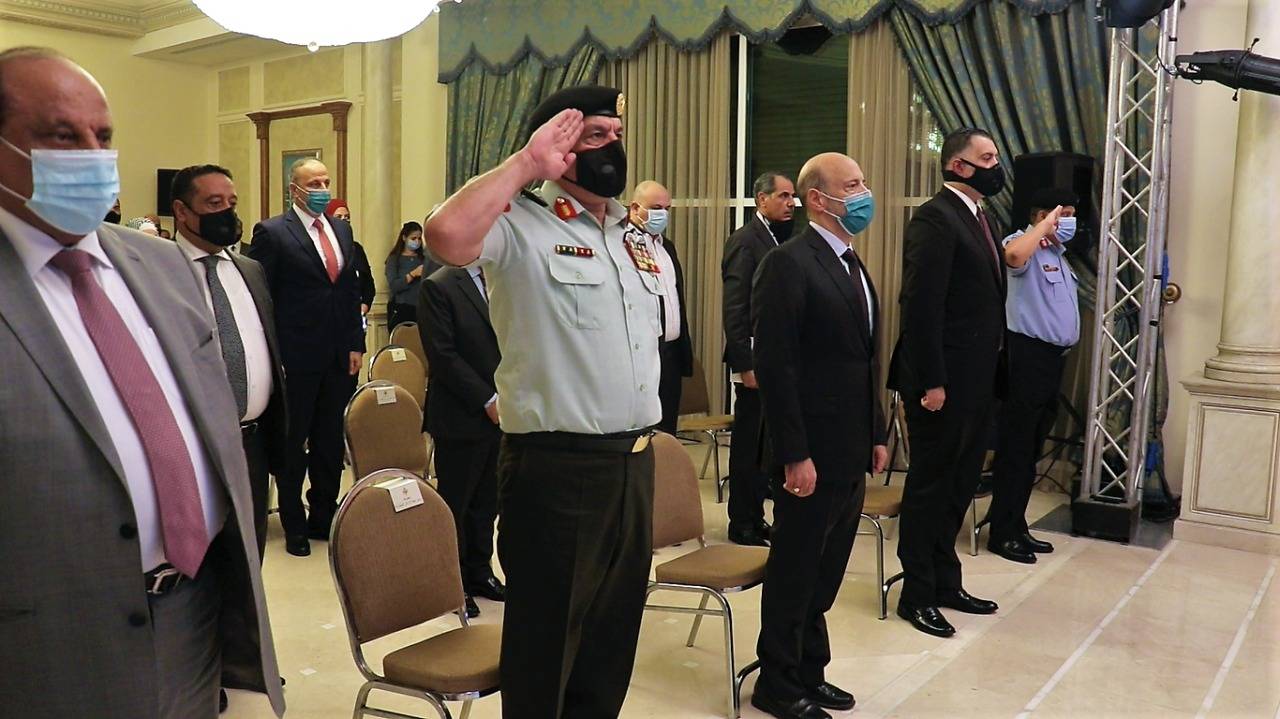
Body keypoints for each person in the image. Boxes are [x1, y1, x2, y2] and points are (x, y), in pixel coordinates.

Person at [0, 47, 283, 718]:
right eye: (61, 135)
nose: (93, 156)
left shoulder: (161, 266)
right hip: (48, 647)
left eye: (103, 135)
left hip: (195, 616)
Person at [425, 84, 658, 719]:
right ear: (559, 147)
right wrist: (527, 164)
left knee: (610, 641)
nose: (612, 148)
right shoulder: (520, 225)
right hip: (558, 467)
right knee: (546, 646)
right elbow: (445, 235)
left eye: (616, 135)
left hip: (634, 464)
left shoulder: (632, 236)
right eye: (595, 136)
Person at [750, 153, 888, 719]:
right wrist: (794, 454)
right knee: (796, 571)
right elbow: (777, 367)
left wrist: (877, 432)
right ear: (817, 198)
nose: (863, 193)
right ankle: (777, 682)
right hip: (809, 451)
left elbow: (864, 360)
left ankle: (810, 669)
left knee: (826, 572)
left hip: (849, 448)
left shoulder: (852, 262)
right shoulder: (788, 264)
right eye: (851, 185)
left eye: (862, 182)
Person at [888, 127, 1015, 638]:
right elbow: (921, 307)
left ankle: (946, 580)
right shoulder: (934, 219)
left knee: (960, 484)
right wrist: (931, 381)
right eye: (986, 157)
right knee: (931, 487)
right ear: (958, 166)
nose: (996, 165)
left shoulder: (982, 216)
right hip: (941, 382)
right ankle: (916, 593)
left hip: (977, 379)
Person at [248, 157, 364, 558]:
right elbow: (261, 296)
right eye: (314, 184)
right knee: (293, 442)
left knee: (330, 442)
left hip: (337, 356)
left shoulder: (341, 229)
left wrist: (355, 343)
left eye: (326, 181)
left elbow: (348, 291)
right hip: (294, 356)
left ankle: (323, 516)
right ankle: (293, 522)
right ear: (294, 189)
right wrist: (271, 354)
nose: (322, 189)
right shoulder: (273, 232)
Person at [171, 164, 288, 562]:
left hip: (251, 444)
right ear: (182, 211)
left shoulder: (250, 270)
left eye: (231, 203)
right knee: (198, 564)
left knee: (248, 559)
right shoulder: (156, 271)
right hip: (191, 445)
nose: (226, 213)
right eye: (213, 203)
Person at [986, 187, 1074, 563]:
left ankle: (1017, 524)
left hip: (1051, 360)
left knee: (1031, 449)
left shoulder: (1056, 253)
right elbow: (1012, 257)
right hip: (1026, 356)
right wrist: (1043, 227)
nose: (1069, 222)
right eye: (1064, 215)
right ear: (1042, 216)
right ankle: (1002, 533)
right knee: (1016, 448)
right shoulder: (1021, 244)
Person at [418, 264, 504, 620]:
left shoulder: (504, 278)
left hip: (505, 410)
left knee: (487, 501)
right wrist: (487, 399)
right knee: (457, 502)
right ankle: (453, 584)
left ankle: (480, 571)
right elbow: (443, 355)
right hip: (461, 414)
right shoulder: (439, 286)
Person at [721, 170, 795, 547]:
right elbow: (735, 307)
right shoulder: (746, 241)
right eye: (782, 196)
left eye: (792, 197)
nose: (790, 203)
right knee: (749, 446)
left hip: (775, 359)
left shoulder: (778, 238)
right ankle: (741, 521)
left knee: (766, 447)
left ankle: (755, 515)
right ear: (761, 200)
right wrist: (744, 363)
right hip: (753, 359)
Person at [627, 180, 692, 434]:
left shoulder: (667, 247)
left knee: (667, 428)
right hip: (643, 351)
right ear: (635, 208)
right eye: (656, 208)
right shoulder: (623, 244)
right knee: (645, 429)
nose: (662, 214)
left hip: (671, 351)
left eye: (667, 209)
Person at [327, 198, 376, 316]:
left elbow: (368, 282)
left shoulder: (356, 249)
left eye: (347, 217)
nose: (344, 220)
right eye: (339, 217)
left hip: (355, 313)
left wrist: (365, 305)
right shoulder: (322, 247)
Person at [385, 220, 426, 330]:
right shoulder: (394, 259)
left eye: (419, 238)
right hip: (401, 308)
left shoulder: (424, 258)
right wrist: (412, 274)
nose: (417, 241)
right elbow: (394, 286)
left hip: (421, 308)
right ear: (404, 238)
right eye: (413, 238)